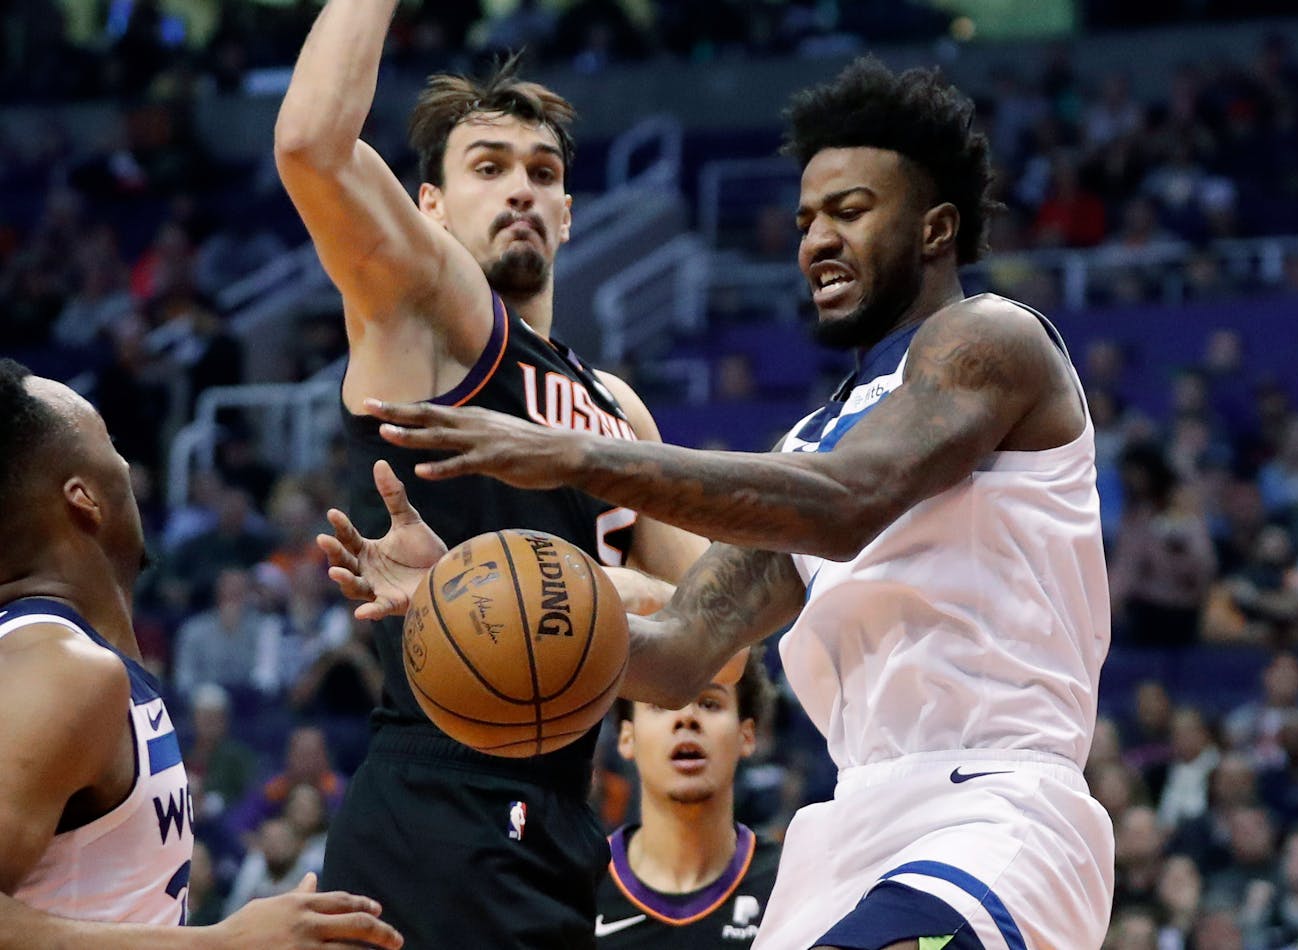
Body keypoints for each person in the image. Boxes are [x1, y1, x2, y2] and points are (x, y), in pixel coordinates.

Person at [352, 57, 1116, 949]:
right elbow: (679, 654)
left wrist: (577, 454)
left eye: (850, 212)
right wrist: (459, 599)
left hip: (995, 810)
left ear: (937, 228)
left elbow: (849, 501)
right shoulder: (806, 443)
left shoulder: (993, 342)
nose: (816, 241)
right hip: (850, 823)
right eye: (805, 221)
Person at [274, 3, 704, 948]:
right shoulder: (433, 316)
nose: (520, 189)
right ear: (427, 209)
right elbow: (310, 144)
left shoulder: (617, 409)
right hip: (438, 795)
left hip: (563, 816)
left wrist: (528, 590)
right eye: (488, 167)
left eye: (542, 174)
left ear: (569, 213)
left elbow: (706, 639)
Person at [0, 359, 401, 949]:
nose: (128, 467)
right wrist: (221, 944)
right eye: (110, 444)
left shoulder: (67, 658)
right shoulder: (61, 668)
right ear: (83, 498)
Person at [596, 648, 781, 947]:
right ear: (626, 737)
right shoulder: (577, 886)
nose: (686, 717)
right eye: (661, 703)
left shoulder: (789, 885)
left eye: (709, 703)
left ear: (746, 735)